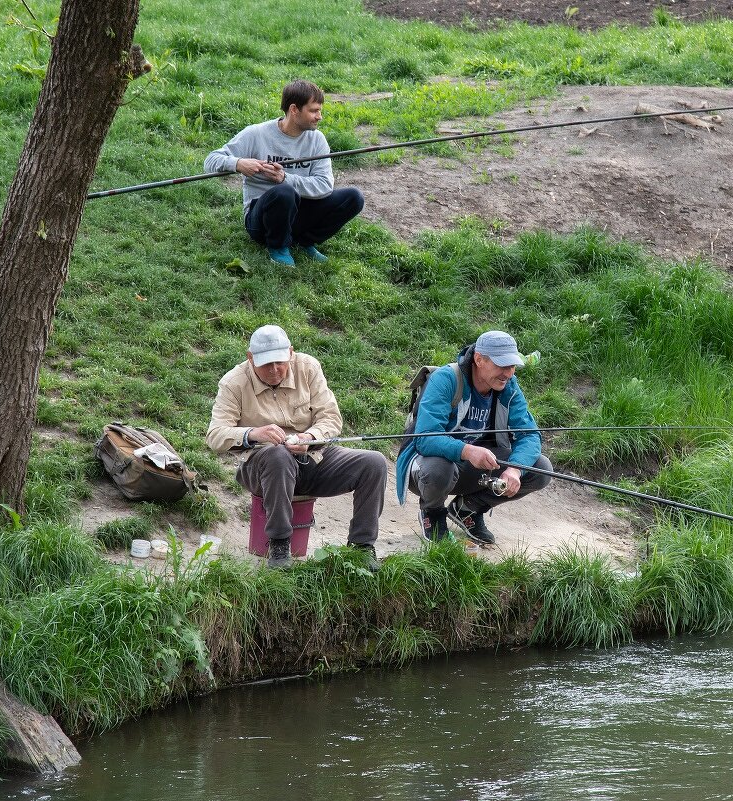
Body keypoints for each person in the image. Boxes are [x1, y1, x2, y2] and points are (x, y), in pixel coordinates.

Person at [206, 324, 387, 569]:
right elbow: (215, 436)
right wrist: (254, 433)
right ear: (250, 358)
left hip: (312, 457)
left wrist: (309, 437)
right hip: (262, 467)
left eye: (280, 361)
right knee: (277, 456)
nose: (274, 370)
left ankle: (362, 546)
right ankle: (279, 545)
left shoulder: (309, 367)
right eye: (266, 364)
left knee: (373, 462)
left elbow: (331, 418)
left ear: (291, 352)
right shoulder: (233, 383)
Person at [395, 330, 553, 544]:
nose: (508, 373)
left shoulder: (509, 386)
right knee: (440, 468)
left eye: (512, 366)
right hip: (427, 467)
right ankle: (432, 513)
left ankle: (467, 509)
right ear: (479, 359)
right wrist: (467, 451)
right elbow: (425, 439)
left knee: (540, 468)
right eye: (502, 365)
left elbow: (529, 435)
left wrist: (515, 468)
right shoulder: (446, 379)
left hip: (475, 467)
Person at [204, 79, 363, 267]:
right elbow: (210, 161)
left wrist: (285, 178)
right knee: (284, 192)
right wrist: (238, 163)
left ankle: (304, 240)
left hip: (297, 212)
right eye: (313, 110)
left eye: (320, 110)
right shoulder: (256, 134)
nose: (319, 116)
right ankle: (278, 246)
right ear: (294, 109)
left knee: (354, 197)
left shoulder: (317, 140)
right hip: (260, 221)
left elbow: (325, 186)